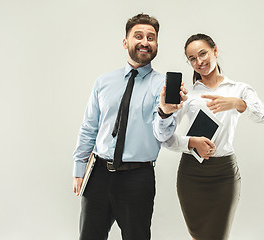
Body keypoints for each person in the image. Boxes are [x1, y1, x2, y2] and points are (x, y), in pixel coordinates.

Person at [72, 13, 186, 240]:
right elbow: (89, 127)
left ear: (156, 45)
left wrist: (164, 112)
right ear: (126, 42)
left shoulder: (162, 86)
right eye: (139, 36)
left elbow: (162, 135)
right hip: (98, 175)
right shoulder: (103, 82)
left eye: (151, 37)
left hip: (137, 178)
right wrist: (79, 169)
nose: (145, 42)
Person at [158, 33, 264, 240]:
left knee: (218, 236)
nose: (199, 61)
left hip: (224, 174)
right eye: (192, 58)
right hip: (191, 174)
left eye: (203, 54)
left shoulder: (239, 89)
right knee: (198, 236)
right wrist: (191, 142)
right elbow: (164, 137)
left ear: (215, 51)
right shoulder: (188, 95)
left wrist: (237, 104)